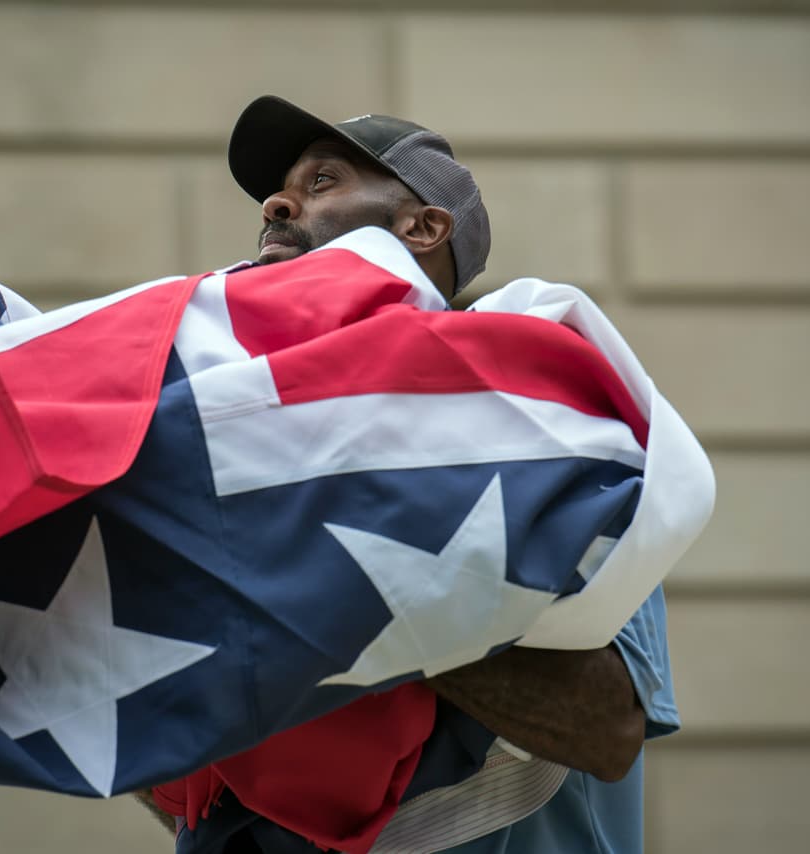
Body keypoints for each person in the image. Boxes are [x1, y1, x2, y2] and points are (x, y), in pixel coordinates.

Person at [131, 96, 678, 854]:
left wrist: (330, 580)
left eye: (323, 181)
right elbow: (179, 785)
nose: (276, 202)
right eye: (282, 189)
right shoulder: (233, 441)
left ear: (422, 227)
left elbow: (606, 724)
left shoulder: (540, 421)